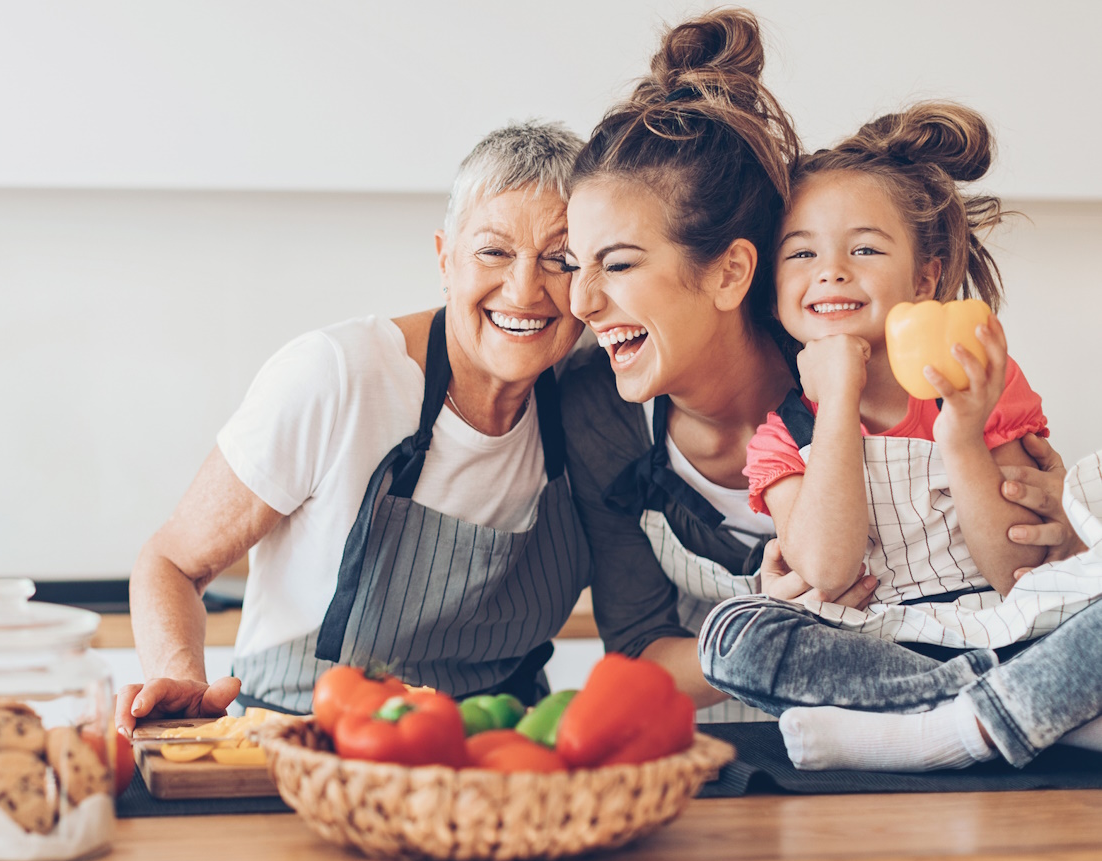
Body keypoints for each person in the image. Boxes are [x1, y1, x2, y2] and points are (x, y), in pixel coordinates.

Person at [559, 8, 1071, 725]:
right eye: (573, 264)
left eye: (616, 264)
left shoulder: (874, 357)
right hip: (763, 743)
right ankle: (970, 709)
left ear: (734, 273)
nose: (580, 300)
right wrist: (771, 614)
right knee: (742, 639)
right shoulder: (601, 412)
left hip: (978, 656)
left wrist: (1068, 518)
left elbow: (1026, 563)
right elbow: (640, 650)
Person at [117, 121, 592, 732]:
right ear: (445, 259)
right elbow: (170, 562)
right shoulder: (337, 377)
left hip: (498, 756)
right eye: (493, 251)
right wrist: (184, 678)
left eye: (561, 259)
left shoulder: (598, 400)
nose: (525, 289)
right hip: (300, 746)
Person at [695, 104, 1102, 771]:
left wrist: (963, 434)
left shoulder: (977, 381)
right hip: (882, 654)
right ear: (773, 292)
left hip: (1008, 630)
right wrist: (838, 400)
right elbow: (828, 570)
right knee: (733, 633)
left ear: (925, 278)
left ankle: (947, 729)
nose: (830, 271)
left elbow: (1014, 573)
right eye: (802, 252)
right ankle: (1013, 712)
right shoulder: (782, 434)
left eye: (864, 249)